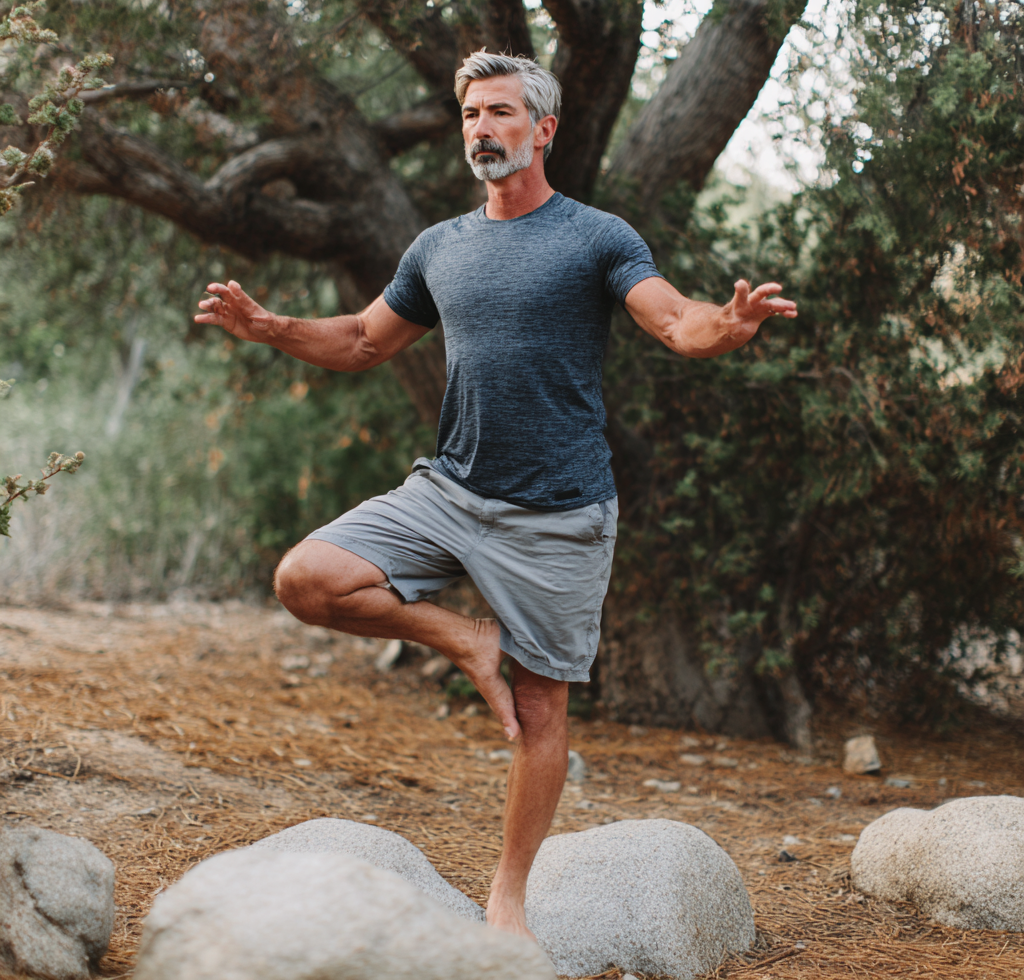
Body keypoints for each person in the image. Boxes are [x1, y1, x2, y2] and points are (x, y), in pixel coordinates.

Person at [195, 51, 797, 939]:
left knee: (541, 707)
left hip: (558, 512)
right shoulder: (439, 247)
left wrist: (727, 327)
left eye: (503, 113)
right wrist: (270, 326)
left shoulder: (597, 237)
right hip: (450, 491)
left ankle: (508, 898)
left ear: (543, 129)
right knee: (307, 579)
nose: (483, 128)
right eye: (473, 114)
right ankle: (463, 638)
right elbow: (364, 340)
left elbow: (676, 320)